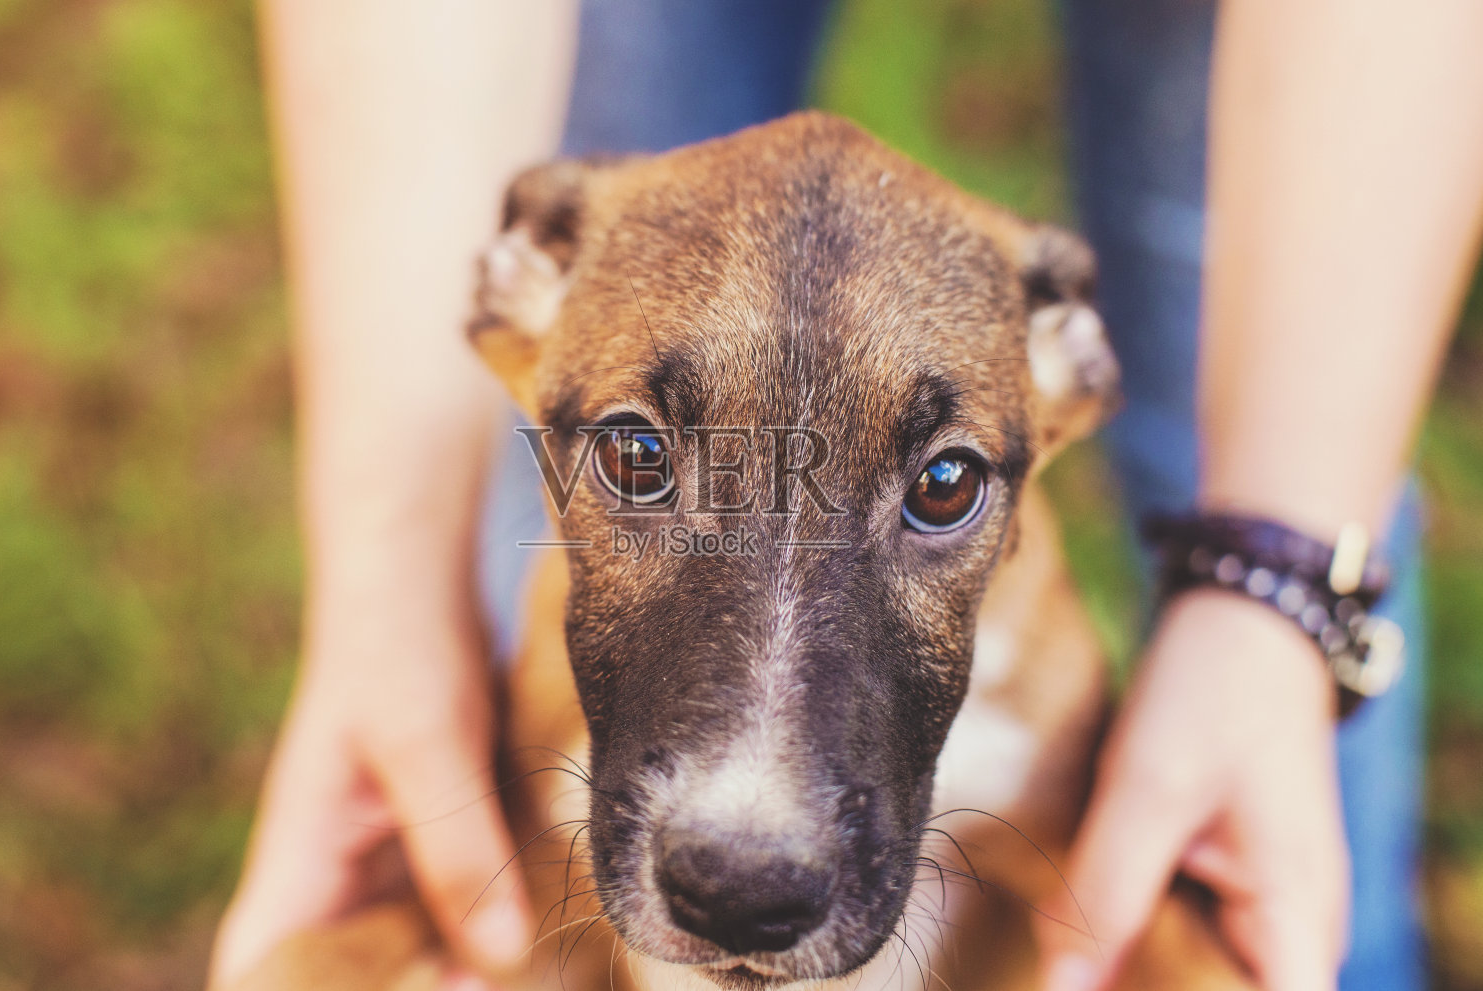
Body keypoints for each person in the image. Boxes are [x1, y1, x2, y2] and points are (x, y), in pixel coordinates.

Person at [209, 2, 1483, 990]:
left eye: (939, 486)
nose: (750, 826)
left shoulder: (1038, 697)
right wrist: (383, 590)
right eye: (641, 463)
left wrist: (1270, 576)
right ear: (520, 292)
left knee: (1250, 458)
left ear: (1062, 371)